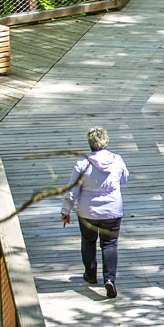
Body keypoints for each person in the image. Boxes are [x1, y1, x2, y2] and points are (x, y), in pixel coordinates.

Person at [61, 127, 129, 299]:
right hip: (112, 210)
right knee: (110, 244)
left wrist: (66, 210)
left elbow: (72, 190)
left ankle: (91, 275)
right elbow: (124, 178)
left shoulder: (82, 164)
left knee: (88, 241)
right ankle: (110, 279)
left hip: (87, 211)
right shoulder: (117, 160)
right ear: (106, 141)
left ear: (90, 143)